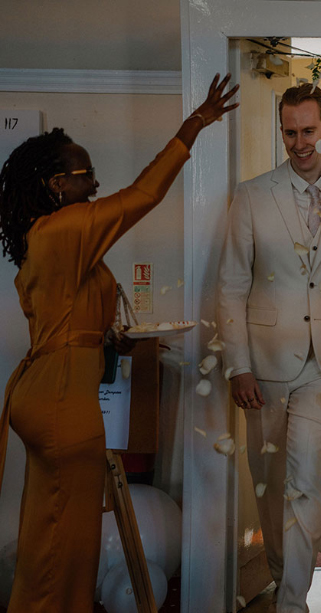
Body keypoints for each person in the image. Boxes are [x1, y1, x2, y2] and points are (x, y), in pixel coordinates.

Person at [0, 74, 237, 612]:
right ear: (58, 184)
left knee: (48, 528)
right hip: (61, 400)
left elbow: (69, 322)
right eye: (87, 175)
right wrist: (192, 127)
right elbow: (144, 195)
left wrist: (115, 341)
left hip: (48, 391)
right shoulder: (64, 229)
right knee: (73, 535)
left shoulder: (46, 236)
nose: (97, 185)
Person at [217, 83, 321, 612]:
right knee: (268, 483)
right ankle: (285, 573)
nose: (300, 142)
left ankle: (293, 603)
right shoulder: (251, 194)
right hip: (261, 366)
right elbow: (232, 285)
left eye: (309, 131)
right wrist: (237, 365)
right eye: (290, 132)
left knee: (305, 480)